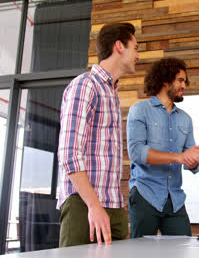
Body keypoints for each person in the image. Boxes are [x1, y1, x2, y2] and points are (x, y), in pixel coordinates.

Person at [57, 22, 139, 247]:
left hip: (113, 203)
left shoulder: (111, 92)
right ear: (119, 46)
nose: (138, 56)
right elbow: (69, 154)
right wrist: (94, 206)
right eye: (136, 47)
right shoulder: (86, 85)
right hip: (83, 204)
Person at [127, 57, 199, 238]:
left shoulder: (185, 119)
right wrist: (179, 157)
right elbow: (137, 152)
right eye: (180, 80)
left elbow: (192, 161)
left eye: (185, 81)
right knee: (140, 253)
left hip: (175, 199)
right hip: (145, 194)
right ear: (164, 79)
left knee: (183, 249)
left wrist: (193, 161)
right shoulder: (140, 110)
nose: (184, 85)